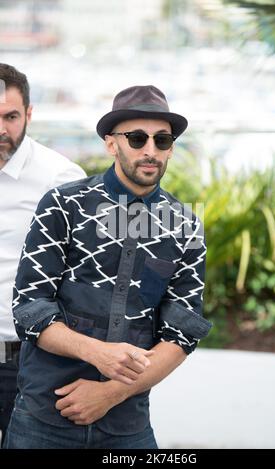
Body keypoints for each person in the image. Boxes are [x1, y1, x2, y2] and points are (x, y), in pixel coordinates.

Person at [4, 85, 212, 449]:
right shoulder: (63, 205)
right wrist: (97, 352)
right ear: (111, 143)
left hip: (127, 424)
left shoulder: (186, 224)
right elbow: (30, 308)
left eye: (162, 140)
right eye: (136, 138)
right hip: (43, 419)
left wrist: (110, 394)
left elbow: (181, 332)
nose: (150, 150)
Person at [0, 63, 86, 445]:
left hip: (27, 365)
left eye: (11, 116)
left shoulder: (61, 178)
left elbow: (86, 279)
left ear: (29, 114)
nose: (1, 129)